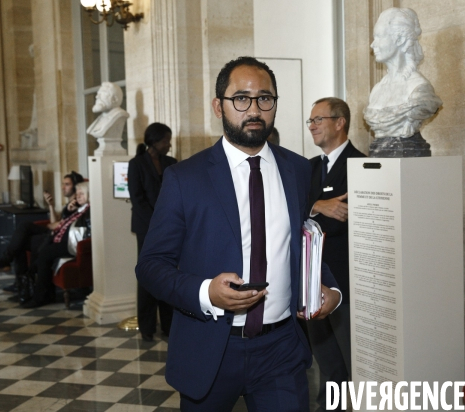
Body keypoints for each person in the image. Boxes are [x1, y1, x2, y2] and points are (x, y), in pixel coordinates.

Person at [136, 56, 341, 412]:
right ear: (219, 106)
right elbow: (151, 265)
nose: (254, 109)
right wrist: (206, 292)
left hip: (281, 351)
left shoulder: (296, 169)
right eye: (241, 99)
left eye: (265, 98)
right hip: (210, 348)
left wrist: (331, 290)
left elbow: (303, 241)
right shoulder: (186, 178)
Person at [306, 97, 366, 411]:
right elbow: (291, 210)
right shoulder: (309, 168)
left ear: (340, 122)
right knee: (326, 363)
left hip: (345, 284)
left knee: (351, 363)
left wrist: (313, 209)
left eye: (318, 119)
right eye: (310, 121)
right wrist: (319, 206)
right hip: (311, 281)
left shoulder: (361, 164)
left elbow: (348, 219)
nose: (312, 126)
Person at [128, 122, 177, 342]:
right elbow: (137, 199)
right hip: (146, 228)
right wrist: (157, 225)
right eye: (166, 140)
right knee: (147, 274)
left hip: (169, 229)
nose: (169, 144)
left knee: (168, 274)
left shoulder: (172, 164)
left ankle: (168, 325)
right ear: (154, 141)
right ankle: (146, 326)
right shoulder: (136, 164)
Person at [0, 171, 84, 279]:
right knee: (23, 231)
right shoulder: (68, 204)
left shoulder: (77, 204)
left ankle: (13, 271)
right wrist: (50, 205)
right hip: (54, 232)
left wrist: (51, 226)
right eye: (63, 184)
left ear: (75, 187)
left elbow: (59, 225)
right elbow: (54, 222)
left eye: (67, 184)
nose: (62, 187)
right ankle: (17, 276)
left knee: (24, 232)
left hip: (59, 237)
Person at [363, 7, 441, 140]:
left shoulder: (419, 89)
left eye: (379, 37)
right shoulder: (376, 90)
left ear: (400, 39)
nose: (372, 45)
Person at [22, 182, 91, 309]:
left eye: (82, 194)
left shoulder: (90, 210)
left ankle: (40, 297)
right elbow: (65, 223)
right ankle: (37, 291)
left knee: (44, 254)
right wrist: (69, 211)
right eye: (77, 194)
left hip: (73, 245)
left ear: (90, 195)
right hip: (63, 240)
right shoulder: (79, 209)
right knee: (38, 247)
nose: (78, 197)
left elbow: (87, 231)